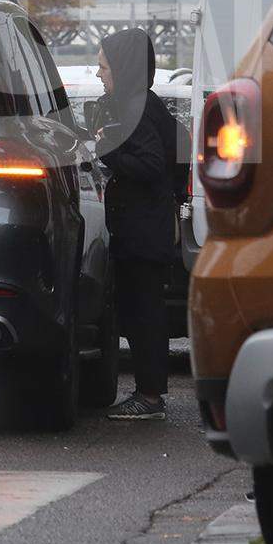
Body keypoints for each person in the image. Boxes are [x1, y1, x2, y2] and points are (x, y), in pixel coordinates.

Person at [94, 28, 179, 421]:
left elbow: (151, 165)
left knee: (144, 313)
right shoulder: (144, 104)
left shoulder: (138, 107)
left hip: (143, 232)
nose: (99, 75)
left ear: (123, 69)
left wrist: (108, 152)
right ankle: (148, 392)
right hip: (146, 226)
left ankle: (148, 396)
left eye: (104, 67)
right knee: (141, 310)